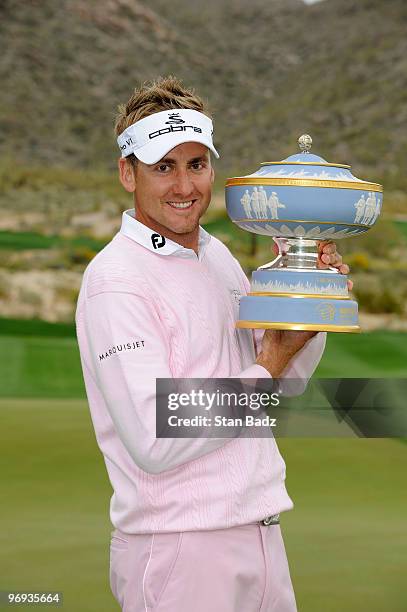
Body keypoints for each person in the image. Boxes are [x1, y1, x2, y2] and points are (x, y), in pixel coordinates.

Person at [75, 76, 352, 612]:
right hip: (183, 551)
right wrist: (268, 366)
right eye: (164, 167)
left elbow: (282, 382)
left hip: (261, 533)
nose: (185, 186)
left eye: (196, 164)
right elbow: (156, 435)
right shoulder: (116, 280)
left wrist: (304, 293)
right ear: (127, 172)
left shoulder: (216, 255)